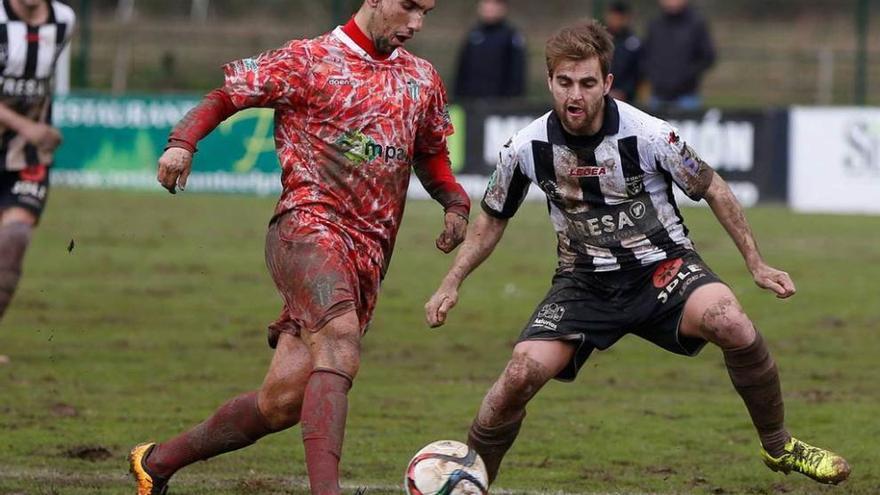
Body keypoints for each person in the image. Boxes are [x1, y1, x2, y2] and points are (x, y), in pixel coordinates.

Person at [425, 20, 851, 489]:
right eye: (564, 82)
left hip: (663, 269)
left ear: (606, 83)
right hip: (583, 283)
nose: (575, 95)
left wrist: (756, 262)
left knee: (732, 322)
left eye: (588, 83)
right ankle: (472, 481)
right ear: (549, 81)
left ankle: (779, 446)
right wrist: (452, 280)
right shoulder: (524, 147)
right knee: (519, 374)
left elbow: (714, 188)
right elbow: (491, 219)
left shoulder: (649, 134)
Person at [128, 1, 471, 494]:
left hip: (368, 255)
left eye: (427, 12)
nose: (416, 23)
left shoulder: (422, 78)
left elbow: (431, 154)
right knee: (340, 340)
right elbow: (229, 95)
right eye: (408, 6)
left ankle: (156, 463)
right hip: (306, 229)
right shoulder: (310, 59)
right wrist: (183, 141)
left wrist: (455, 204)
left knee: (282, 401)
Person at [0, 0, 75, 361]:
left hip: (26, 157)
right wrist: (28, 126)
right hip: (27, 135)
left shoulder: (64, 20)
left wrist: (36, 131)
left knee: (14, 239)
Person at [642, 0, 715, 111]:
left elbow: (708, 56)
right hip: (658, 96)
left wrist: (687, 76)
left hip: (687, 97)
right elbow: (645, 55)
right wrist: (654, 76)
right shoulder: (654, 25)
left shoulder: (696, 24)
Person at [453, 0, 526, 100]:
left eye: (494, 4)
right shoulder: (473, 34)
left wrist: (512, 101)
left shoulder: (511, 36)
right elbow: (461, 70)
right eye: (486, 3)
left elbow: (517, 73)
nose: (489, 8)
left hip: (499, 103)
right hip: (471, 102)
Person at [605, 0, 642, 103]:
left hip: (627, 99)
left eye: (620, 18)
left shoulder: (634, 43)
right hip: (602, 93)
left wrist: (624, 91)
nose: (616, 21)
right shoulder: (600, 40)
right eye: (613, 17)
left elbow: (638, 72)